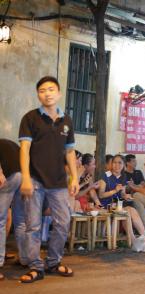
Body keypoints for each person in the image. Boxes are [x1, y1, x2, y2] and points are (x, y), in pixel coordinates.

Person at [19, 76, 80, 283]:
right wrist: (25, 177)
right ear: (38, 94)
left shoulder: (67, 121)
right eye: (43, 90)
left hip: (59, 182)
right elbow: (24, 149)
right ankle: (36, 266)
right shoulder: (30, 118)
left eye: (51, 89)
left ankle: (53, 261)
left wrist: (74, 178)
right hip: (35, 180)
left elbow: (70, 152)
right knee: (33, 226)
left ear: (59, 93)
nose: (47, 93)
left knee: (63, 222)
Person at [98, 155, 145, 252]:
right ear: (112, 164)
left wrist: (125, 196)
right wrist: (114, 191)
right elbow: (101, 195)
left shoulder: (123, 176)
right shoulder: (105, 175)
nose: (117, 165)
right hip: (107, 205)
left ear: (123, 165)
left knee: (131, 210)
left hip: (118, 205)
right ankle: (134, 241)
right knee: (128, 211)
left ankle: (144, 239)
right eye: (115, 162)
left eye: (120, 163)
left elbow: (122, 193)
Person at [0, 139, 28, 281]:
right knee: (20, 221)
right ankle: (24, 258)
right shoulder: (8, 143)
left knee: (0, 221)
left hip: (9, 176)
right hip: (23, 177)